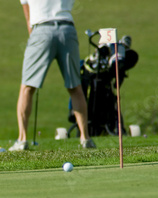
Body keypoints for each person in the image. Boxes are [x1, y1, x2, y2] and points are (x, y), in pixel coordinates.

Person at [10, 0, 96, 151]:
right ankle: (85, 138)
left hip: (41, 29)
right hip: (67, 29)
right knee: (75, 86)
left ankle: (22, 140)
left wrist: (34, 37)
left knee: (27, 88)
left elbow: (28, 16)